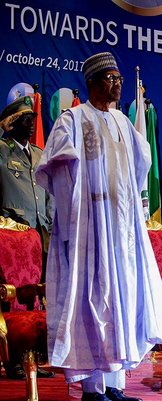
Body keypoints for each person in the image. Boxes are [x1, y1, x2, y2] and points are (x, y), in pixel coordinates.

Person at [34, 52, 162, 401]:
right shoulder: (72, 119)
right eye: (110, 78)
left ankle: (114, 381)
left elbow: (139, 164)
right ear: (92, 83)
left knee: (121, 297)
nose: (118, 84)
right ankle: (92, 388)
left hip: (121, 229)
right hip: (88, 229)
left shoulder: (121, 121)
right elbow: (52, 166)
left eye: (119, 78)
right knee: (92, 298)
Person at [0, 95, 55, 379]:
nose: (31, 124)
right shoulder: (1, 150)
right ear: (10, 123)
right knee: (11, 298)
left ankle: (33, 356)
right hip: (11, 237)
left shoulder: (38, 153)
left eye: (32, 119)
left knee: (36, 296)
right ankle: (12, 359)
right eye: (25, 119)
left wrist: (50, 222)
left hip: (40, 235)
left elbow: (47, 193)